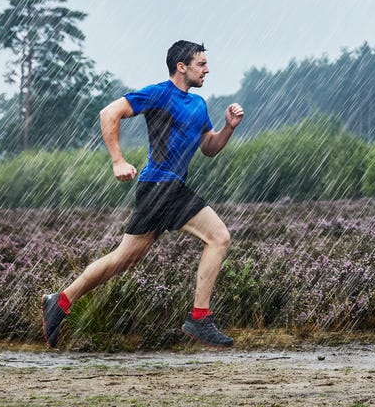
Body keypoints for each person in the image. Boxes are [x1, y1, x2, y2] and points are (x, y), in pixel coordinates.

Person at [41, 40, 245, 349]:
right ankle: (199, 318)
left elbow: (209, 148)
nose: (207, 69)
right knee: (219, 237)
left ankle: (60, 302)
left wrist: (228, 128)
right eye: (201, 64)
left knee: (124, 259)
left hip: (167, 188)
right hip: (160, 186)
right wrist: (118, 160)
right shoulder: (159, 93)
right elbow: (109, 113)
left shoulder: (198, 105)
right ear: (182, 67)